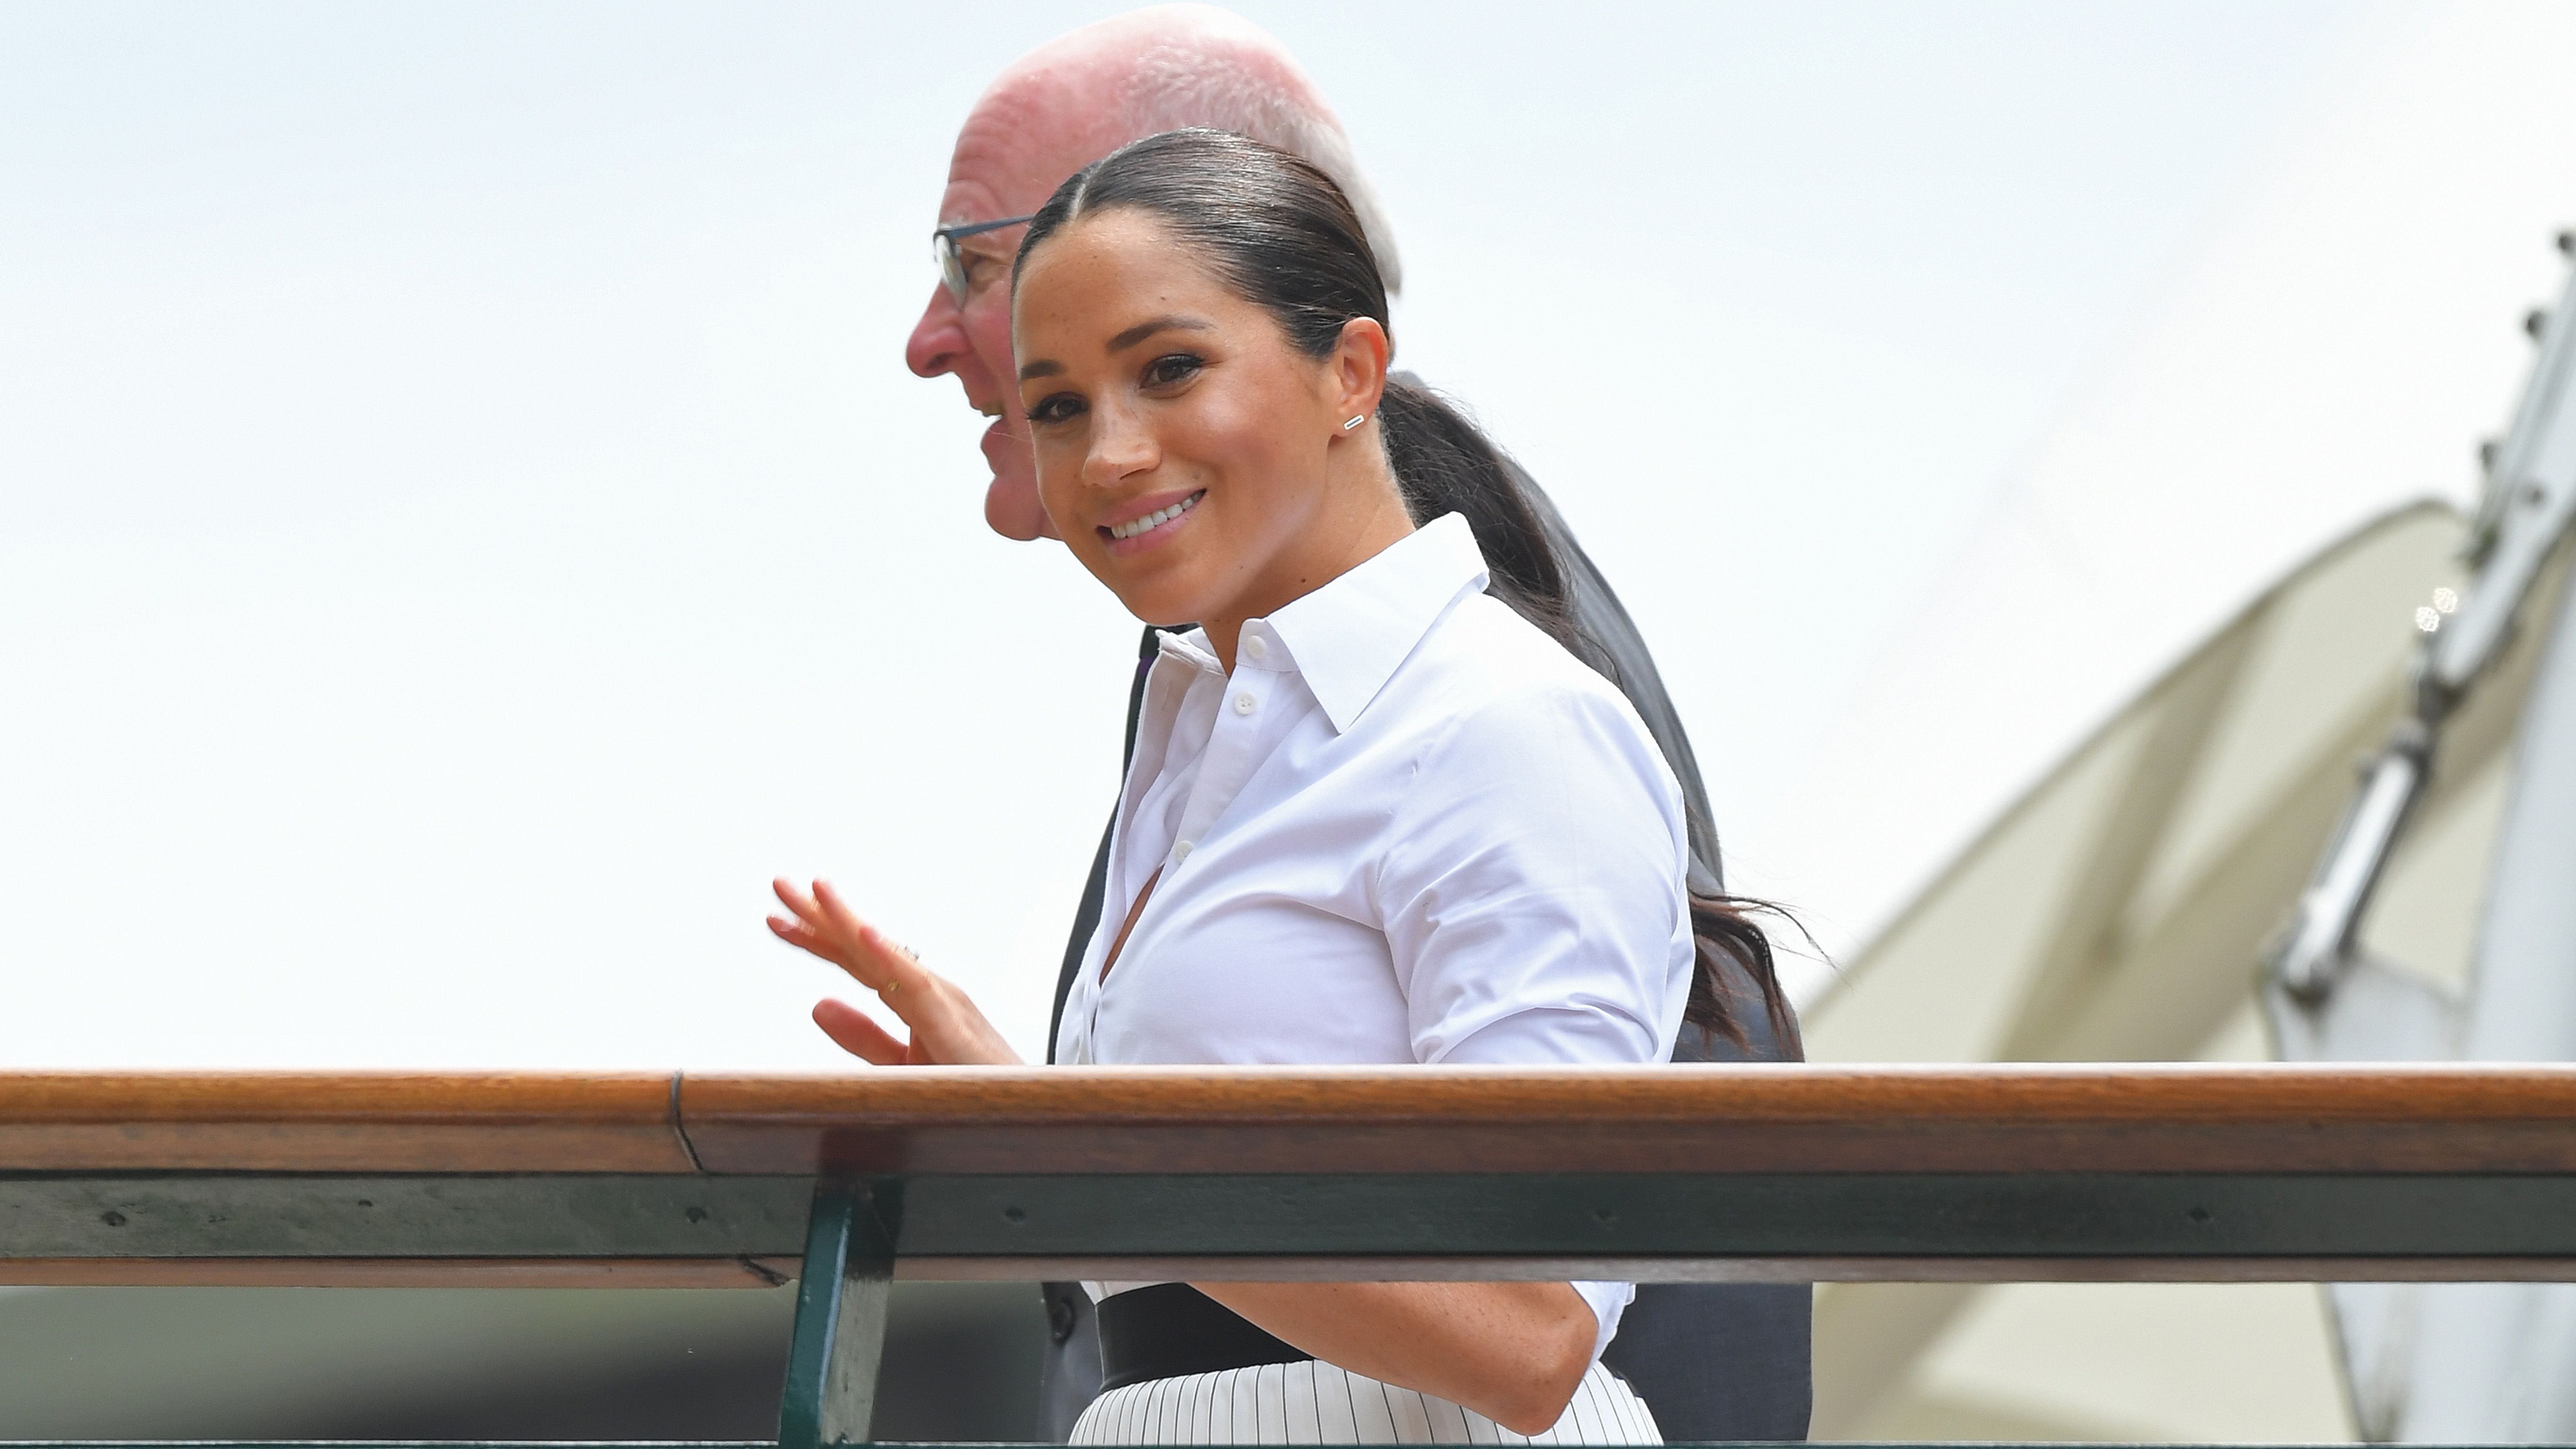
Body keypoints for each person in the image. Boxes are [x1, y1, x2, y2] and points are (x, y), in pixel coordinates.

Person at [776, 126, 1794, 1444]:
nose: (1109, 454)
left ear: (1351, 370)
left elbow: (1532, 1329)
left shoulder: (1502, 724)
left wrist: (1069, 1144)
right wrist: (1013, 1110)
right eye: (1060, 406)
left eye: (1169, 369)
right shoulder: (1201, 727)